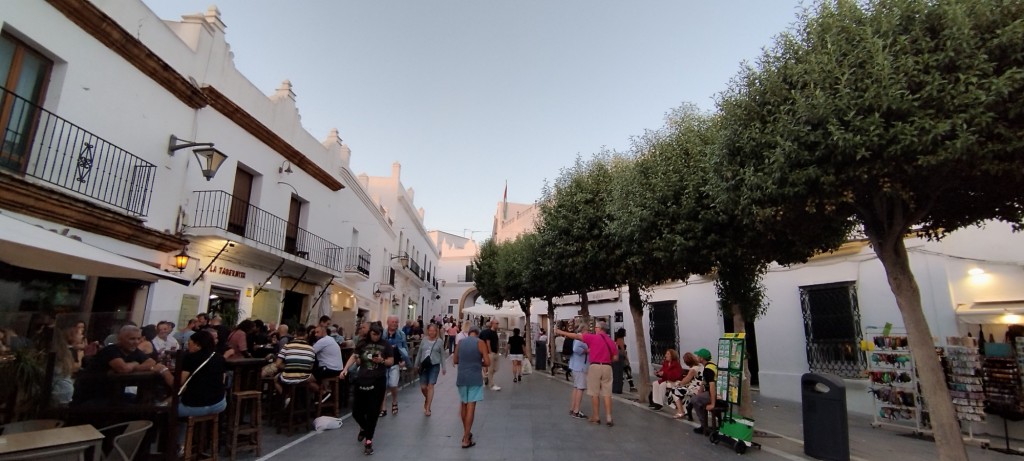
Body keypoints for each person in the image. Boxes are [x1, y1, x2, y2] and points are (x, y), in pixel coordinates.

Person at [72, 325, 173, 405]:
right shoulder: (111, 350)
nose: (136, 342)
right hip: (92, 396)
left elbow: (151, 362)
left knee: (146, 403)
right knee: (137, 407)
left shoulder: (134, 351)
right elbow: (123, 368)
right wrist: (135, 363)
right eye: (132, 339)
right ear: (120, 339)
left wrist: (134, 366)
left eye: (138, 339)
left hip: (113, 394)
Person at [341, 322, 393, 455]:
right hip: (362, 379)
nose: (376, 337)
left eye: (378, 335)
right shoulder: (362, 343)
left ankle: (369, 440)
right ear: (370, 333)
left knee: (373, 412)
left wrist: (381, 360)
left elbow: (391, 361)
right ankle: (365, 429)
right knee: (357, 411)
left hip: (378, 380)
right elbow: (355, 356)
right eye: (374, 334)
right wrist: (345, 369)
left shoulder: (385, 344)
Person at [554, 320, 618, 426]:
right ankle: (609, 417)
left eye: (596, 327)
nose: (594, 329)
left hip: (594, 366)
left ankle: (596, 417)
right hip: (607, 367)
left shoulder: (593, 337)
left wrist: (561, 332)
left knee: (594, 393)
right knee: (607, 393)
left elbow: (575, 336)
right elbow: (615, 357)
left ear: (599, 329)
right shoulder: (610, 341)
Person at [176, 330, 227, 449]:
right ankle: (202, 443)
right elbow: (223, 380)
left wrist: (163, 372)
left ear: (198, 344)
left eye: (190, 343)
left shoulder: (190, 358)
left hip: (195, 406)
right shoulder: (219, 358)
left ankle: (177, 446)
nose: (188, 346)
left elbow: (179, 382)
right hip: (219, 404)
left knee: (168, 410)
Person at [453, 324, 490, 449]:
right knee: (471, 406)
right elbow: (488, 362)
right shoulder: (480, 343)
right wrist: (477, 362)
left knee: (463, 403)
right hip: (474, 377)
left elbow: (455, 360)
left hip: (462, 377)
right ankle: (466, 437)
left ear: (469, 333)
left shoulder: (460, 342)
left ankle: (466, 434)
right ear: (477, 333)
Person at [271, 326, 315, 400]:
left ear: (295, 334)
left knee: (275, 379)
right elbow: (310, 367)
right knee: (312, 379)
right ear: (306, 335)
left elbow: (277, 364)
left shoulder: (287, 346)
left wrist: (289, 367)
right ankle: (306, 401)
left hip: (287, 377)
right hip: (304, 377)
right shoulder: (311, 348)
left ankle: (286, 396)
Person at [380, 315, 409, 417]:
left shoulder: (401, 334)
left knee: (393, 384)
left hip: (395, 363)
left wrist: (404, 359)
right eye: (393, 322)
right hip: (383, 362)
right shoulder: (383, 334)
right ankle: (383, 408)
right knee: (383, 385)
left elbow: (404, 347)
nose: (395, 324)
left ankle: (394, 401)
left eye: (396, 322)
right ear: (388, 323)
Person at [415, 323, 446, 416]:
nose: (432, 332)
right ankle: (427, 398)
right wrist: (416, 364)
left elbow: (442, 355)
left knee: (430, 385)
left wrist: (444, 367)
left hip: (434, 365)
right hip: (424, 365)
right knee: (423, 387)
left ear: (436, 331)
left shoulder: (439, 341)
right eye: (430, 330)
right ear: (428, 331)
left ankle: (428, 408)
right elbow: (420, 352)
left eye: (434, 331)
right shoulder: (424, 340)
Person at [310, 324, 343, 401]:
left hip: (329, 369)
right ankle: (322, 394)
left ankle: (323, 392)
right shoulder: (330, 339)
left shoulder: (323, 341)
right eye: (315, 332)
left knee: (306, 378)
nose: (315, 334)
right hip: (337, 369)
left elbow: (310, 352)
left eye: (317, 332)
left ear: (323, 332)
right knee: (316, 374)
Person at [691, 348, 718, 435]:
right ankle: (705, 424)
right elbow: (704, 382)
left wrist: (712, 404)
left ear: (702, 358)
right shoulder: (711, 365)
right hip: (712, 392)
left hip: (714, 393)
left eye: (698, 356)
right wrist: (699, 392)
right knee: (697, 398)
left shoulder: (708, 369)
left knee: (694, 400)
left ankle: (704, 425)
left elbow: (712, 386)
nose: (696, 357)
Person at [673, 352, 704, 419]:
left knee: (675, 390)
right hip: (700, 387)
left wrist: (679, 384)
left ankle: (680, 412)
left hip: (696, 389)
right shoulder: (700, 366)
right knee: (683, 391)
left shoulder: (693, 369)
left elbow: (685, 381)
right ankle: (685, 410)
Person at [567, 324, 589, 419]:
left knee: (576, 387)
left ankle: (573, 408)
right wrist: (586, 351)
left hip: (575, 365)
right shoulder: (579, 338)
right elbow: (575, 349)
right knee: (580, 388)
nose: (588, 331)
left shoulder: (577, 337)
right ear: (583, 330)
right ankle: (576, 411)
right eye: (587, 330)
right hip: (580, 367)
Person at [478, 319, 501, 390]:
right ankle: (492, 385)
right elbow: (488, 342)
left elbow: (496, 342)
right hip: (490, 353)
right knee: (490, 369)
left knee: (496, 368)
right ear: (492, 324)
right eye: (496, 323)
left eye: (498, 323)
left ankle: (485, 376)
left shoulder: (495, 332)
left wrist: (498, 350)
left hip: (495, 352)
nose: (498, 324)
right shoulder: (489, 332)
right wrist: (490, 351)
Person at [614, 328, 637, 392]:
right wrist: (627, 358)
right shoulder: (620, 340)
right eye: (625, 332)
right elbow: (623, 350)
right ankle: (631, 386)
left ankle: (622, 386)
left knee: (624, 372)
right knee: (627, 370)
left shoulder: (618, 339)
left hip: (621, 357)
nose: (626, 333)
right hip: (622, 358)